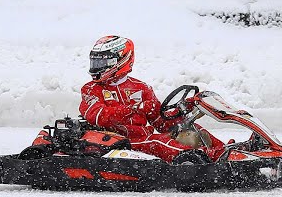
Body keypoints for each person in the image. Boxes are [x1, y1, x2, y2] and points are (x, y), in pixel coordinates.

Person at [79, 35, 225, 163]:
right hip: (117, 142)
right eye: (95, 63)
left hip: (143, 139)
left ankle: (224, 152)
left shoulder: (141, 88)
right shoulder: (91, 89)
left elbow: (161, 123)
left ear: (121, 60)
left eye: (101, 63)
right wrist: (134, 108)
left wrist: (181, 112)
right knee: (157, 141)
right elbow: (98, 116)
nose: (97, 68)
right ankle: (200, 160)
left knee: (191, 128)